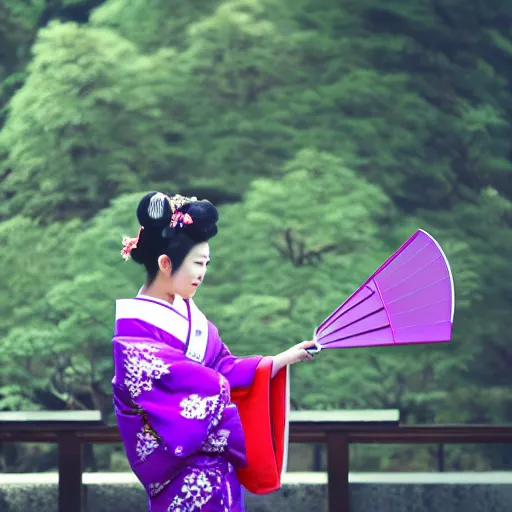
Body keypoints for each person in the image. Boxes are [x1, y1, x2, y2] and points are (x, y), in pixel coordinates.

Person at [112, 192, 315, 512]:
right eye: (196, 263)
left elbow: (223, 365)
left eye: (206, 263)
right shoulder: (132, 335)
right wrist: (217, 387)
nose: (202, 273)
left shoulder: (192, 318)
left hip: (221, 475)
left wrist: (279, 360)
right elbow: (195, 383)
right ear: (166, 264)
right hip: (180, 476)